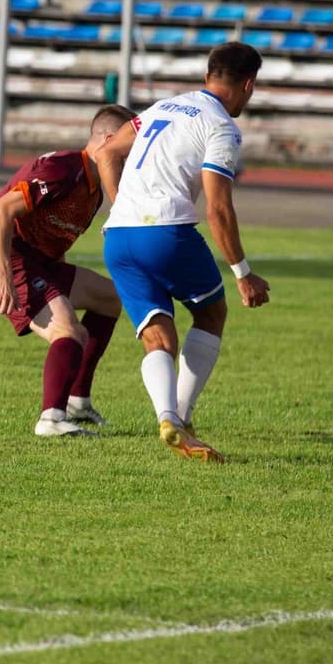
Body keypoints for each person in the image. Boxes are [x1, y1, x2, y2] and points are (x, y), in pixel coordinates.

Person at [102, 41, 271, 462]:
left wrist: (120, 201)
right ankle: (182, 414)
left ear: (208, 76)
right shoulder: (221, 127)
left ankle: (169, 421)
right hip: (166, 233)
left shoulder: (161, 108)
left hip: (118, 235)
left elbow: (105, 150)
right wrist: (242, 271)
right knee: (212, 312)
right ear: (248, 85)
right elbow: (217, 206)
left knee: (157, 330)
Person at [0, 105, 137, 437]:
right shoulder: (62, 170)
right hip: (3, 261)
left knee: (109, 299)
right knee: (69, 331)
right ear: (108, 141)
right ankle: (51, 419)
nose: (133, 160)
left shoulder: (92, 191)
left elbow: (52, 244)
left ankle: (77, 401)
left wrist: (57, 286)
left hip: (36, 264)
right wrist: (4, 277)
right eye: (129, 149)